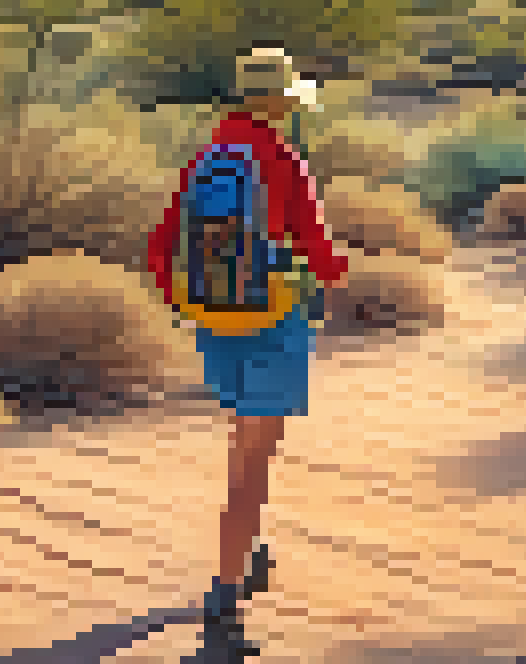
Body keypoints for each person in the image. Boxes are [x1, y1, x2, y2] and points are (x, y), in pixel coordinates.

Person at [146, 46, 348, 635]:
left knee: (243, 440)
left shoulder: (205, 158)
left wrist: (191, 299)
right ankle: (226, 586)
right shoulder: (282, 160)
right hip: (271, 316)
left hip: (213, 316)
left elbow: (162, 246)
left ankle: (247, 550)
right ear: (281, 104)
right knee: (254, 460)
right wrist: (334, 277)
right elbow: (317, 248)